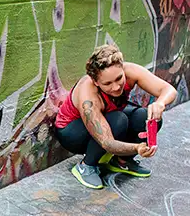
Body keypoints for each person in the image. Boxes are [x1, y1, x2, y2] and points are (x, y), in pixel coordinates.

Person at [54, 44, 178, 189]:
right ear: (96, 82)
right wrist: (137, 148)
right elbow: (107, 142)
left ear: (122, 68)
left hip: (108, 117)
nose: (116, 87)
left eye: (119, 78)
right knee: (118, 120)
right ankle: (86, 166)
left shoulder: (130, 71)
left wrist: (160, 104)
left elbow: (169, 90)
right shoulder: (88, 94)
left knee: (145, 117)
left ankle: (122, 162)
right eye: (107, 83)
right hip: (72, 132)